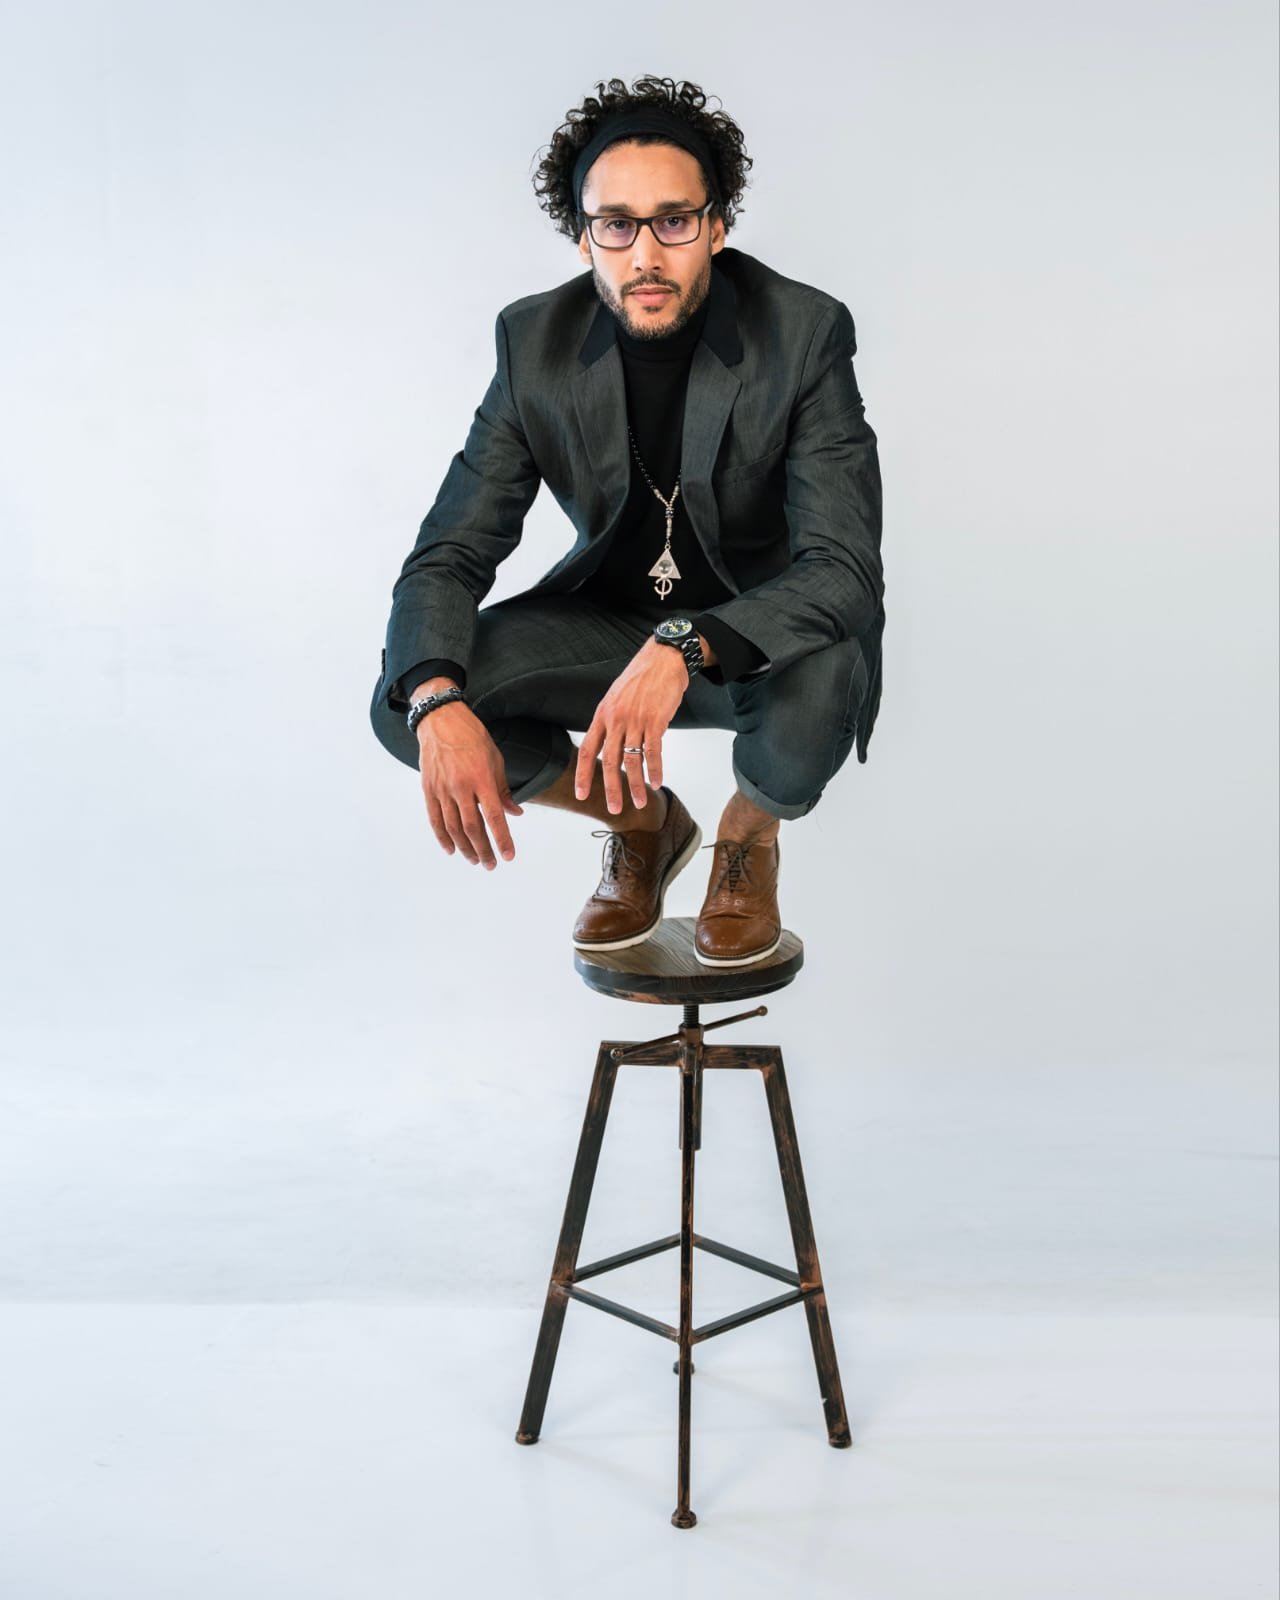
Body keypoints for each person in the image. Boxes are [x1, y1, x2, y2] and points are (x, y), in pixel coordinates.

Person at [369, 74, 885, 968]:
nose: (645, 254)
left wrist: (686, 643)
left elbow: (843, 570)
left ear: (716, 227)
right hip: (607, 629)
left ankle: (744, 835)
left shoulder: (803, 333)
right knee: (410, 700)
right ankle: (641, 822)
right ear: (584, 238)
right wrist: (439, 703)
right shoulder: (532, 345)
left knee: (827, 676)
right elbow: (449, 554)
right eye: (616, 225)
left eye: (673, 221)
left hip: (755, 642)